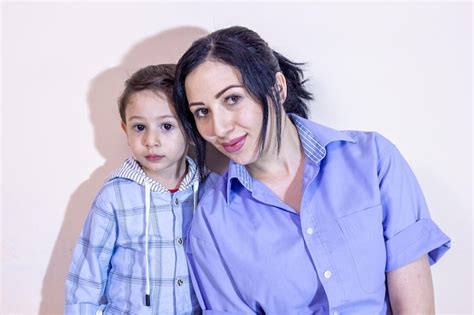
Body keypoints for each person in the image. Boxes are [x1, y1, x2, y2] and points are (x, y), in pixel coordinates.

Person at [173, 26, 451, 314]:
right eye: (202, 112)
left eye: (232, 99)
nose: (220, 128)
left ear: (277, 87)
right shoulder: (212, 224)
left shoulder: (372, 159)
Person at [65, 64, 211, 314]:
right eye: (139, 127)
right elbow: (86, 276)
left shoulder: (209, 190)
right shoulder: (115, 196)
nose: (151, 141)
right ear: (125, 130)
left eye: (166, 126)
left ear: (189, 130)